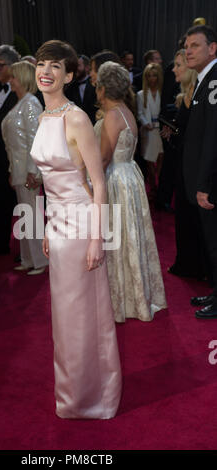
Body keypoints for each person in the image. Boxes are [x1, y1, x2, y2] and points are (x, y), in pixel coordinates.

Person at [31, 40, 122, 419]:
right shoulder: (42, 117)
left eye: (55, 66)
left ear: (69, 75)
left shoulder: (77, 118)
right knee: (65, 317)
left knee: (84, 315)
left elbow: (98, 183)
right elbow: (49, 182)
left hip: (83, 224)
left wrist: (97, 239)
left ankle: (93, 398)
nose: (46, 71)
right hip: (59, 224)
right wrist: (48, 228)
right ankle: (72, 395)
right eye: (41, 64)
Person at [94, 61, 166, 322]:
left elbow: (102, 159)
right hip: (129, 176)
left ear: (102, 89)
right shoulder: (126, 110)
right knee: (128, 237)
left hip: (115, 178)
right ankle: (134, 294)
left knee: (118, 238)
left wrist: (89, 185)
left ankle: (122, 301)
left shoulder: (112, 116)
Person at [182, 25, 217, 319]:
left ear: (212, 48)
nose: (188, 51)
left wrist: (204, 183)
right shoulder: (205, 80)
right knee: (210, 242)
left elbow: (213, 137)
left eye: (195, 45)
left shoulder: (215, 80)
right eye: (186, 46)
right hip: (204, 180)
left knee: (216, 243)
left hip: (211, 183)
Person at [163, 50, 205, 279]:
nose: (174, 69)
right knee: (185, 217)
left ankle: (195, 266)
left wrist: (176, 132)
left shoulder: (198, 95)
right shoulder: (186, 94)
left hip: (194, 167)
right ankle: (188, 263)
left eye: (178, 65)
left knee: (192, 218)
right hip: (183, 163)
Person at [2, 61, 47, 275]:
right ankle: (29, 258)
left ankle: (41, 260)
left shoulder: (30, 104)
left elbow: (36, 140)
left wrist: (33, 170)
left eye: (13, 77)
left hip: (28, 169)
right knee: (25, 215)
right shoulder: (21, 103)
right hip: (19, 168)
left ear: (23, 78)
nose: (10, 80)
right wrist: (13, 170)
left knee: (33, 215)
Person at [0, 44, 21, 258]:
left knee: (25, 203)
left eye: (0, 65)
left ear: (12, 66)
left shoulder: (24, 90)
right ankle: (1, 244)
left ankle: (28, 249)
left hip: (19, 154)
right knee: (1, 202)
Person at [137, 63, 164, 199]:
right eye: (149, 76)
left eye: (154, 75)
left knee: (160, 157)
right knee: (149, 160)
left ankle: (157, 185)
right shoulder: (141, 94)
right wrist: (145, 123)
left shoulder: (162, 93)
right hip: (149, 131)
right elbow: (140, 113)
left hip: (160, 130)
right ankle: (153, 186)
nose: (152, 78)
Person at [65, 54, 97, 123]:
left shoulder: (95, 84)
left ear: (87, 67)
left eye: (78, 65)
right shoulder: (69, 87)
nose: (75, 69)